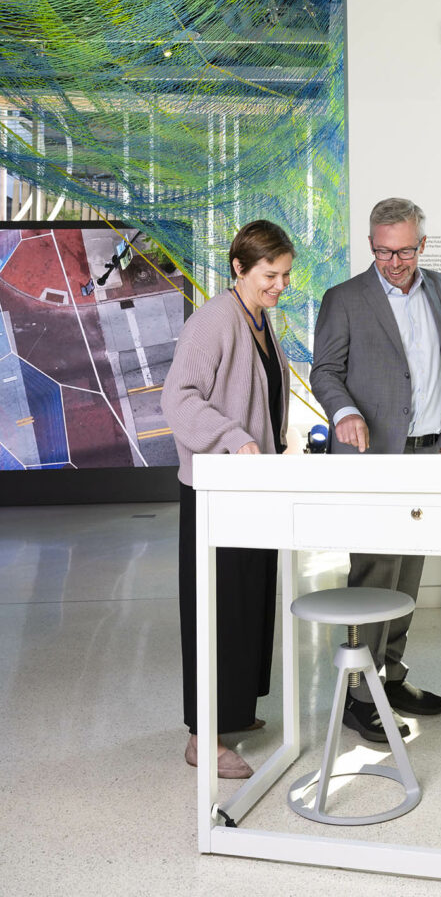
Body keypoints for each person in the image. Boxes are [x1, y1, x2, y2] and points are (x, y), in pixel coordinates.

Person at [310, 197, 441, 742]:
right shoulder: (345, 298)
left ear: (422, 244)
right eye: (381, 251)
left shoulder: (440, 287)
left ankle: (391, 675)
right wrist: (345, 412)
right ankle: (359, 693)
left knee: (409, 570)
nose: (393, 262)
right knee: (375, 573)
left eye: (403, 251)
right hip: (373, 457)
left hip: (426, 452)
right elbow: (324, 371)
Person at [162, 219, 295, 779]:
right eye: (270, 275)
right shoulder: (213, 321)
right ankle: (203, 736)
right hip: (218, 492)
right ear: (238, 268)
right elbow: (177, 398)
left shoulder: (261, 319)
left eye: (286, 275)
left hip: (252, 489)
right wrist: (234, 439)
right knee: (216, 612)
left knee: (249, 608)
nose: (280, 286)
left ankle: (235, 711)